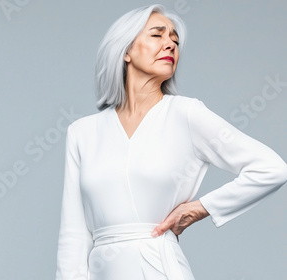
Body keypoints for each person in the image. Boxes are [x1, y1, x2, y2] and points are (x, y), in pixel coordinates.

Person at [55, 4, 287, 280]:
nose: (170, 44)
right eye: (157, 35)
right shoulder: (82, 132)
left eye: (175, 40)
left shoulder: (186, 114)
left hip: (161, 268)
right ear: (125, 50)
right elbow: (73, 234)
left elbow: (272, 168)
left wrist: (200, 208)